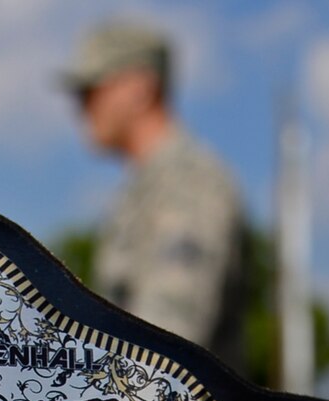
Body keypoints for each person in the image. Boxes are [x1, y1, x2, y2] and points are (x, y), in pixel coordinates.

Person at [64, 21, 248, 372]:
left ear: (140, 88)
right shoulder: (146, 188)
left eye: (92, 88)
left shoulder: (189, 182)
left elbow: (165, 349)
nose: (82, 105)